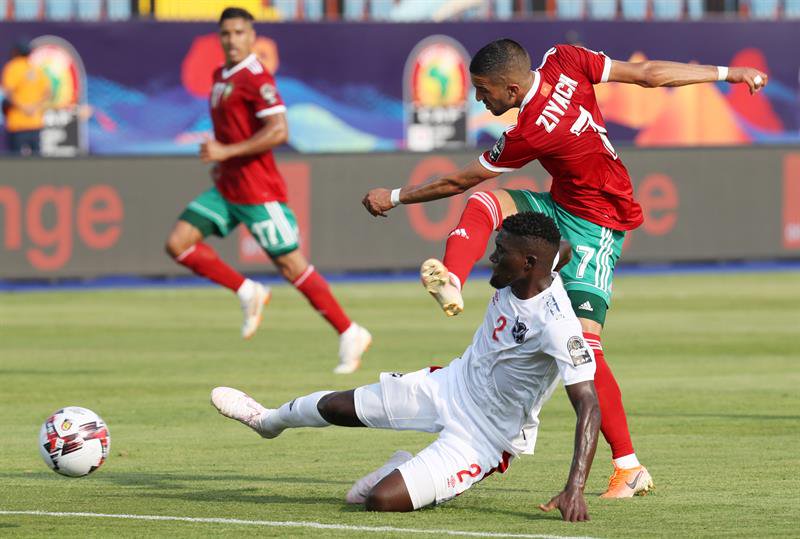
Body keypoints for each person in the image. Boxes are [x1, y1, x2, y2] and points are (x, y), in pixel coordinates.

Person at [362, 39, 767, 496]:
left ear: (512, 89)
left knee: (586, 348)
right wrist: (727, 72)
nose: (480, 99)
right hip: (561, 206)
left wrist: (395, 196)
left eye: (484, 90)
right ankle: (453, 278)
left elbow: (458, 178)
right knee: (486, 204)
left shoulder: (532, 129)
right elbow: (650, 74)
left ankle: (629, 467)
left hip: (597, 225)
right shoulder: (565, 58)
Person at [211, 212, 602, 521]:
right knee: (335, 407)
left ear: (529, 262)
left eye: (501, 251)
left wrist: (576, 487)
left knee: (379, 501)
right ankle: (267, 421)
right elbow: (560, 249)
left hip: (485, 438)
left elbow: (588, 404)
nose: (492, 257)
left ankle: (401, 466)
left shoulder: (558, 325)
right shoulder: (531, 268)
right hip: (449, 386)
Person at [165, 7, 370, 374]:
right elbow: (234, 129)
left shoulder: (256, 77)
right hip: (228, 186)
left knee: (292, 267)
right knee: (178, 243)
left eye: (239, 32)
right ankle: (248, 291)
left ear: (252, 37)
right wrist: (222, 158)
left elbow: (279, 131)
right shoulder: (220, 75)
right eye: (226, 33)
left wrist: (226, 151)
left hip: (259, 191)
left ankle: (349, 331)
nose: (232, 40)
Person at [1, 40, 51, 156]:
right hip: (35, 121)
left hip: (18, 122)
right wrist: (34, 106)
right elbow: (48, 93)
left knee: (16, 163)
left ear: (16, 52)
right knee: (36, 162)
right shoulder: (36, 69)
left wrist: (24, 107)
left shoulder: (13, 67)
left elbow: (8, 92)